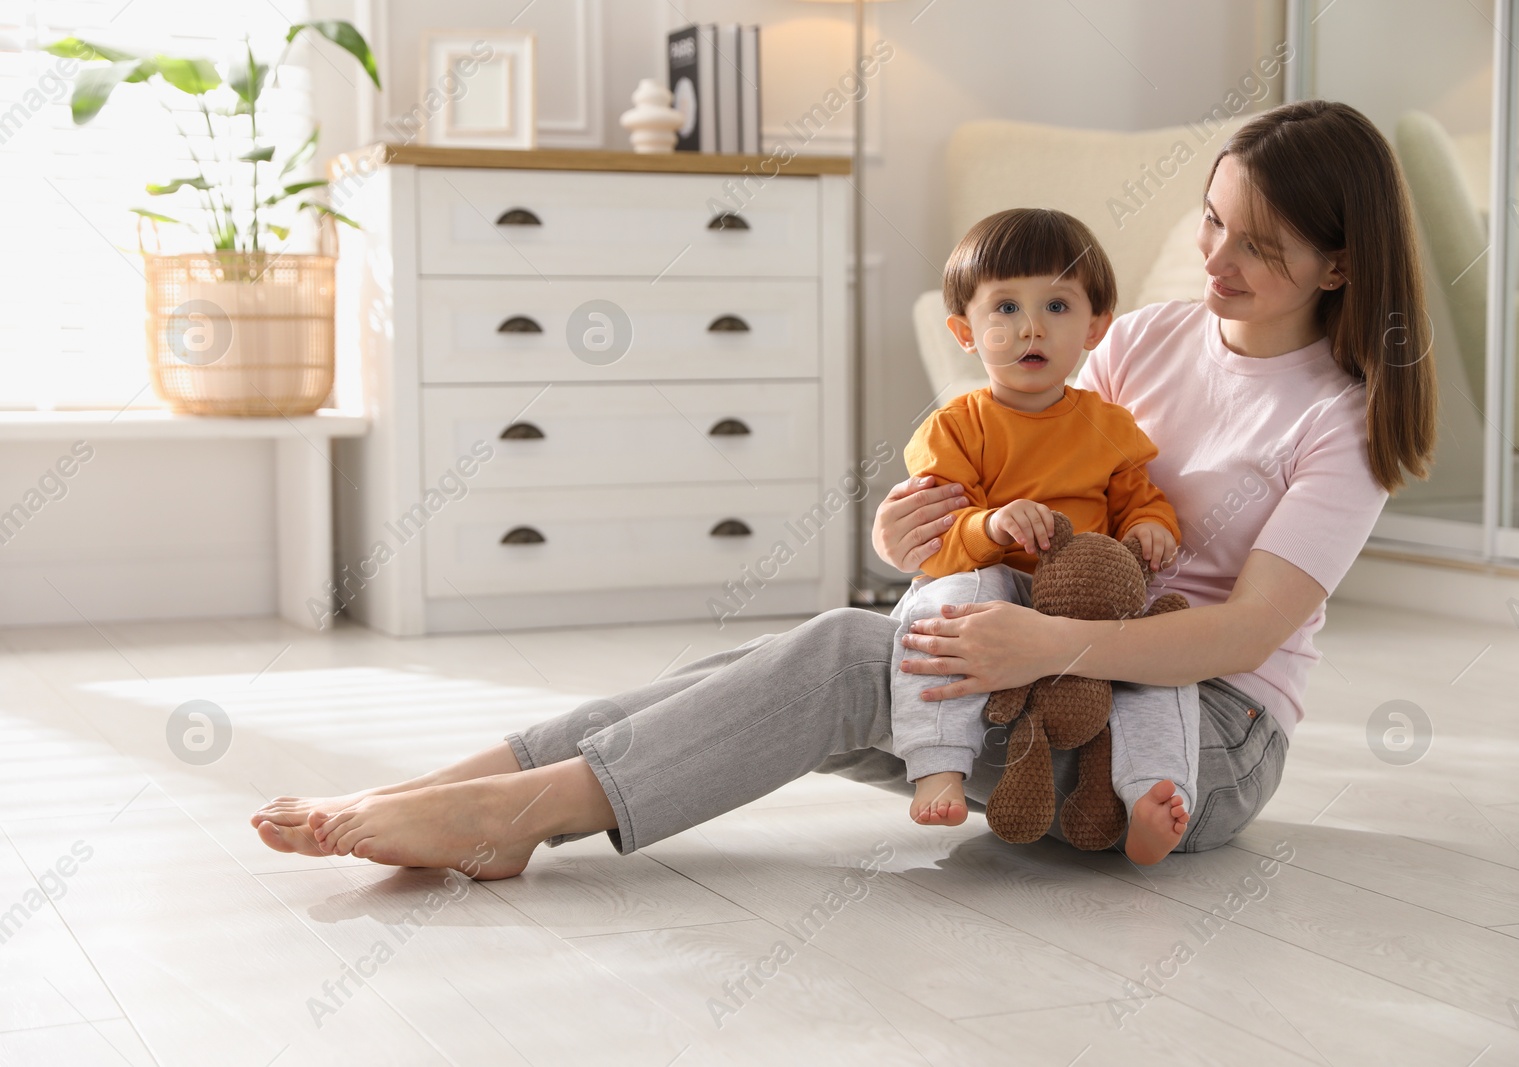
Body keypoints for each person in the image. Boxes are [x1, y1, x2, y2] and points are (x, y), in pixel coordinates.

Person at [251, 99, 1436, 879]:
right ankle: (457, 786)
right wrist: (905, 528)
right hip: (1040, 655)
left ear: (1340, 262)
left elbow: (1240, 633)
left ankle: (517, 818)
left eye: (1260, 246)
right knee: (777, 663)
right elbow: (1017, 471)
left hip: (1191, 740)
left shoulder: (1344, 424)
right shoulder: (1154, 336)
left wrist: (1042, 645)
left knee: (832, 663)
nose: (1217, 260)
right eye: (1212, 222)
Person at [885, 206, 1190, 867]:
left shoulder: (1108, 425)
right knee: (945, 606)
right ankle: (938, 761)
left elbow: (1144, 498)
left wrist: (1149, 528)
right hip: (996, 589)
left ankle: (1152, 793)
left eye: (1057, 304)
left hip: (1081, 610)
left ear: (1095, 327)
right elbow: (934, 544)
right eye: (1004, 308)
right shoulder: (957, 427)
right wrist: (989, 523)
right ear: (966, 332)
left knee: (1159, 652)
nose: (1030, 326)